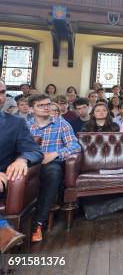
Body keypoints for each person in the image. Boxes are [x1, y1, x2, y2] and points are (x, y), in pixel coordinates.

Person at [27, 94, 81, 242]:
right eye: (41, 105)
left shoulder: (61, 124)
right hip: (28, 163)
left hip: (51, 163)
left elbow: (75, 146)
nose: (46, 108)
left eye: (48, 104)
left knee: (53, 171)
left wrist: (55, 154)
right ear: (31, 109)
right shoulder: (25, 125)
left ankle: (38, 223)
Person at [0, 80, 43, 253]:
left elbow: (35, 151)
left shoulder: (15, 123)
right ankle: (3, 230)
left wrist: (22, 160)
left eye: (2, 92)